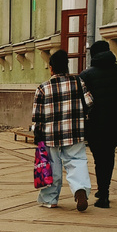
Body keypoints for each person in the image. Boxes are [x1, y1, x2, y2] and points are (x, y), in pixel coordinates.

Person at [31, 48, 93, 211]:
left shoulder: (43, 88)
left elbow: (37, 115)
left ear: (51, 68)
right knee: (77, 160)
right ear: (67, 66)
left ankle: (50, 199)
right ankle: (80, 189)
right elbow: (89, 102)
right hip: (75, 131)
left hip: (50, 134)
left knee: (52, 165)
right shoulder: (78, 82)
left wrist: (37, 134)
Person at [79, 39, 117, 208]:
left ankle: (103, 193)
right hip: (116, 122)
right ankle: (104, 189)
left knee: (99, 158)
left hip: (95, 124)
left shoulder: (86, 75)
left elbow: (82, 102)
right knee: (109, 154)